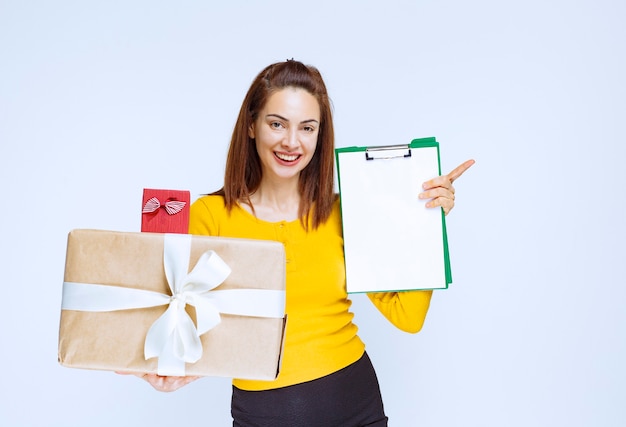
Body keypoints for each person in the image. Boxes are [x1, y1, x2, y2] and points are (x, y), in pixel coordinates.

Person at [136, 59, 474, 426]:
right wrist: (161, 367)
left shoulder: (347, 213)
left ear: (319, 135)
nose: (291, 141)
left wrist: (424, 223)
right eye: (277, 123)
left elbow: (408, 317)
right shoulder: (210, 215)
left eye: (307, 128)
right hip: (262, 413)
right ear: (251, 125)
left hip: (357, 404)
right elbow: (167, 317)